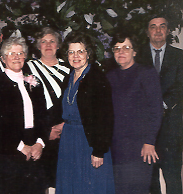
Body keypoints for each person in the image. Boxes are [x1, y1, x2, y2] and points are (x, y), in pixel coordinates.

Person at [0, 37, 47, 194]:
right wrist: (20, 147)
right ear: (3, 58)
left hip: (34, 145)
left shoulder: (34, 82)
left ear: (25, 56)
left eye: (20, 53)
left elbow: (43, 116)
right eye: (11, 53)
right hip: (7, 150)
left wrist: (40, 143)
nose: (17, 57)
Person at [56, 31, 115, 194]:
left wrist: (99, 150)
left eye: (80, 51)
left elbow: (106, 117)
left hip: (89, 142)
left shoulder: (97, 78)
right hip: (69, 140)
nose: (76, 56)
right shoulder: (68, 78)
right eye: (71, 52)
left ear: (88, 54)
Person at [107, 33, 163, 194]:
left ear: (135, 51)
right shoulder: (109, 77)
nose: (121, 51)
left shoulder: (146, 73)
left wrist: (149, 141)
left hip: (140, 149)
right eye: (117, 48)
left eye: (126, 47)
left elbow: (156, 110)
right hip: (117, 149)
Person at [136, 16, 183, 194]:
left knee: (173, 181)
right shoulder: (137, 57)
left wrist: (160, 106)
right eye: (153, 27)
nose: (157, 30)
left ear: (168, 30)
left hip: (171, 131)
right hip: (146, 132)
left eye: (162, 26)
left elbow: (181, 87)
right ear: (147, 32)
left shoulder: (180, 57)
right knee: (150, 182)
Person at [23, 27, 70, 190]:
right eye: (43, 41)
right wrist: (44, 131)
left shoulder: (70, 69)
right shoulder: (28, 68)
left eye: (52, 41)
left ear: (58, 45)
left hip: (65, 132)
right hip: (39, 134)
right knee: (41, 182)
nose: (48, 45)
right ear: (38, 46)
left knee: (63, 180)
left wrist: (65, 126)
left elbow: (78, 103)